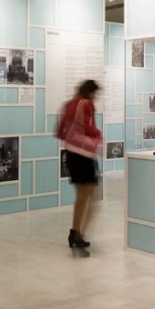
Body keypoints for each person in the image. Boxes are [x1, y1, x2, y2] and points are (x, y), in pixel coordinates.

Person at [55, 79, 102, 255]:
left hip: (71, 155)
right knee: (93, 199)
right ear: (91, 92)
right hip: (85, 156)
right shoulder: (86, 104)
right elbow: (89, 127)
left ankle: (74, 233)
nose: (96, 97)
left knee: (80, 198)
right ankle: (79, 234)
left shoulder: (69, 104)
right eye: (96, 94)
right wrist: (98, 135)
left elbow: (60, 131)